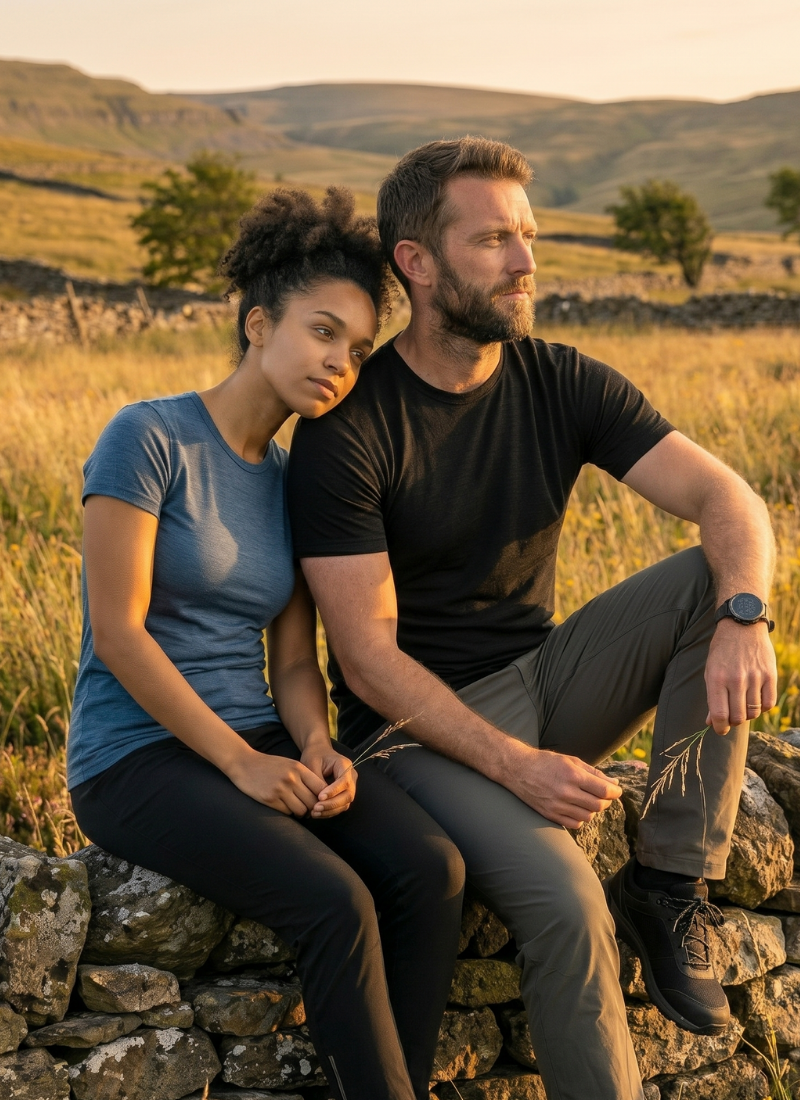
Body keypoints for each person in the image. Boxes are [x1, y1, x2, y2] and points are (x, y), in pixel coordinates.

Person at [287, 140, 777, 1100]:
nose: (525, 263)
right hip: (415, 733)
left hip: (548, 679)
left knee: (707, 580)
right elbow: (368, 660)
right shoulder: (350, 430)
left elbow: (730, 498)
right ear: (416, 263)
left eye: (529, 237)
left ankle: (672, 885)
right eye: (494, 240)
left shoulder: (558, 377)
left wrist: (745, 618)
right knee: (562, 901)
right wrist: (515, 768)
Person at [67, 187, 465, 1100]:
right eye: (323, 332)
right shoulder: (148, 436)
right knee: (336, 902)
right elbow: (118, 634)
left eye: (359, 349)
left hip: (262, 737)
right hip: (135, 756)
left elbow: (292, 662)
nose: (341, 362)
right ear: (257, 324)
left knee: (432, 870)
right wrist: (243, 762)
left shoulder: (294, 480)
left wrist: (318, 745)